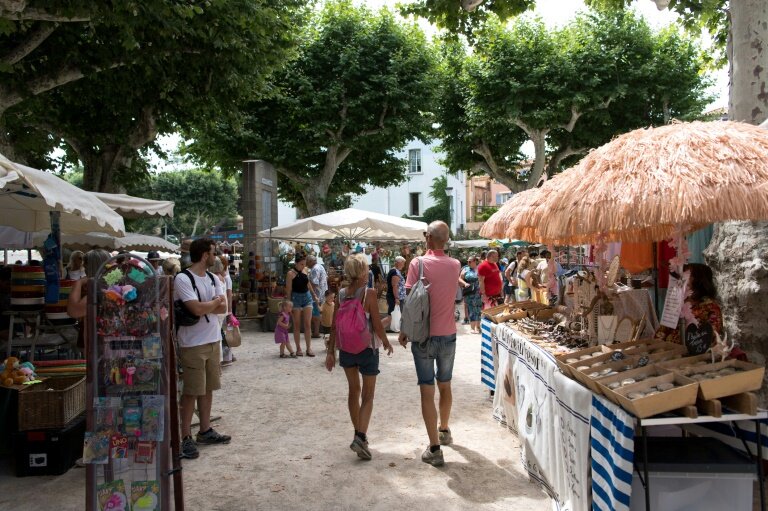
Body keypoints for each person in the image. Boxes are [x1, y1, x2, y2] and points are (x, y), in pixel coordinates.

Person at [398, 221, 460, 467]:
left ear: (429, 238)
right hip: (448, 335)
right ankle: (444, 430)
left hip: (423, 337)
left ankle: (434, 448)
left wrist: (404, 330)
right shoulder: (455, 265)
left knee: (427, 391)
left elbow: (410, 300)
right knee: (445, 385)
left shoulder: (417, 263)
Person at [325, 253, 393, 461]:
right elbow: (377, 323)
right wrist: (387, 342)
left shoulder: (342, 293)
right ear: (363, 271)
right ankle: (360, 436)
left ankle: (358, 435)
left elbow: (335, 324)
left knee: (353, 392)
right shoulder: (369, 293)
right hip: (367, 348)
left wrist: (330, 352)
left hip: (346, 349)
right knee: (368, 395)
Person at [174, 238, 230, 460]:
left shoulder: (212, 277)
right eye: (213, 253)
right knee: (191, 391)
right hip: (192, 343)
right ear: (205, 255)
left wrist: (211, 305)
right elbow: (195, 309)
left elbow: (223, 305)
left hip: (211, 339)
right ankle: (185, 436)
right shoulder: (183, 278)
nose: (215, 256)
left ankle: (204, 429)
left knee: (207, 388)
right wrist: (213, 304)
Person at [654, 263, 725, 349]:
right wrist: (656, 348)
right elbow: (662, 331)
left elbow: (711, 337)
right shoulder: (677, 303)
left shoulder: (711, 307)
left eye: (686, 275)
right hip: (667, 353)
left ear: (698, 281)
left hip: (693, 356)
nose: (681, 279)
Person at [285, 254, 316, 357]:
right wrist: (288, 304)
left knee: (307, 324)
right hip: (296, 298)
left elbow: (308, 283)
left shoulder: (305, 270)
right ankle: (298, 348)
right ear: (296, 263)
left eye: (304, 264)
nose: (303, 266)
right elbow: (288, 289)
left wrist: (314, 294)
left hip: (307, 297)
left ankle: (309, 348)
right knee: (297, 325)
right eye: (301, 264)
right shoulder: (290, 274)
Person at [459, 254, 482, 334]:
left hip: (478, 292)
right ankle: (472, 327)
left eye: (470, 261)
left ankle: (478, 327)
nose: (468, 263)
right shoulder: (465, 269)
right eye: (467, 261)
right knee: (471, 309)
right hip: (469, 292)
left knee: (478, 310)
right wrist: (464, 283)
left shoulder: (480, 269)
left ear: (475, 261)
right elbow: (459, 279)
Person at [307, 255, 328, 339]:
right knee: (317, 312)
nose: (306, 264)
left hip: (317, 294)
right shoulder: (320, 266)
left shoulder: (315, 269)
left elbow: (314, 283)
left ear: (311, 261)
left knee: (316, 313)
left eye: (307, 262)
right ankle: (316, 331)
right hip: (321, 293)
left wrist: (309, 291)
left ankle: (316, 332)